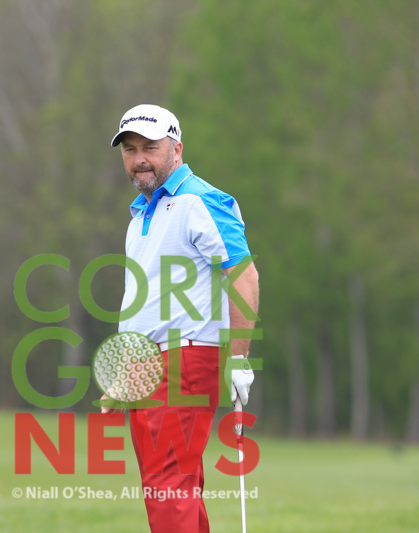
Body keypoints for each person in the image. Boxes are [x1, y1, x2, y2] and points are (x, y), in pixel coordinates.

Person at [101, 104, 260, 533]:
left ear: (177, 148)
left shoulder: (201, 200)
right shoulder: (140, 214)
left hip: (184, 359)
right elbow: (146, 302)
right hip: (147, 363)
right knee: (172, 486)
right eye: (130, 150)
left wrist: (239, 357)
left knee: (168, 486)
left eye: (150, 147)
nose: (139, 159)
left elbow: (242, 275)